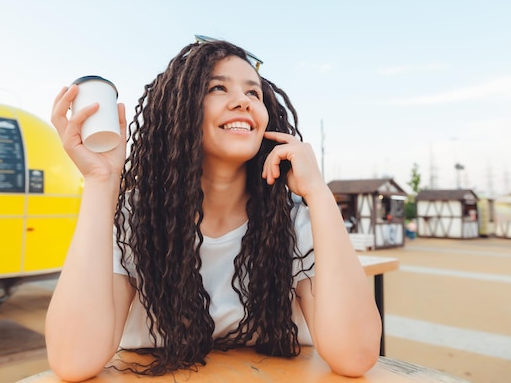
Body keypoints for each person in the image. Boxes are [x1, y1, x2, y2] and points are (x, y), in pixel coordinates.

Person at [45, 37, 382, 382]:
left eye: (254, 93)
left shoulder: (292, 219)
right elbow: (74, 360)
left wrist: (319, 194)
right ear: (179, 109)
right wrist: (101, 181)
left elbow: (354, 356)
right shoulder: (137, 217)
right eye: (218, 88)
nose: (243, 101)